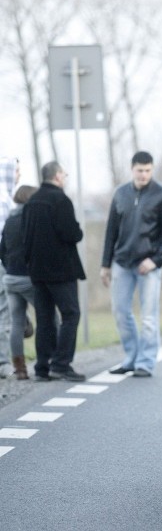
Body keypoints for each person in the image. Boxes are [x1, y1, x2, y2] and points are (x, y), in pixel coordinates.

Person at [100, 151, 162, 378]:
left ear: (152, 170)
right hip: (121, 262)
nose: (143, 174)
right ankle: (131, 358)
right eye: (139, 170)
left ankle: (145, 362)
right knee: (120, 312)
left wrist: (155, 261)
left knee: (148, 317)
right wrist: (105, 264)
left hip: (148, 266)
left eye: (147, 170)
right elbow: (111, 231)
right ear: (132, 169)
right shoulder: (120, 193)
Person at [22, 161, 86, 382]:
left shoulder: (31, 202)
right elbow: (72, 234)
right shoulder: (60, 199)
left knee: (45, 318)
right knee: (71, 314)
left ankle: (42, 367)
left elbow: (25, 238)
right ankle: (61, 364)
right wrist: (77, 231)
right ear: (58, 176)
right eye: (64, 174)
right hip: (61, 271)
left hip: (37, 272)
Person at [0, 185, 38, 380]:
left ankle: (20, 368)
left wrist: (10, 269)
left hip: (10, 278)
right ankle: (50, 360)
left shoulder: (10, 220)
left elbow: (2, 249)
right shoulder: (30, 220)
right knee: (50, 318)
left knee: (16, 323)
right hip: (27, 278)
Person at [0, 157, 19, 379]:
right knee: (5, 312)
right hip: (3, 262)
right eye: (16, 170)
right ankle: (3, 361)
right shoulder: (4, 199)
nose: (18, 175)